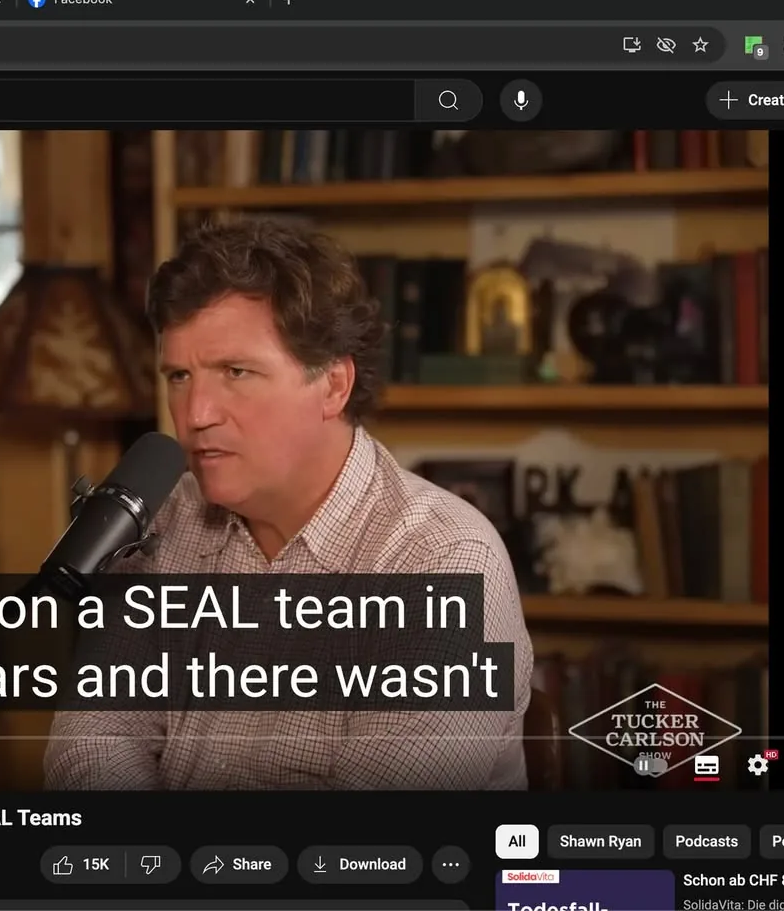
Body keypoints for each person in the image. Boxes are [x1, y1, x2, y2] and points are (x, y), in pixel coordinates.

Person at [43, 218, 534, 790]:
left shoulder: (444, 559)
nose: (196, 413)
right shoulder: (161, 519)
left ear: (333, 386)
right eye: (179, 376)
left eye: (236, 372)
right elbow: (90, 749)